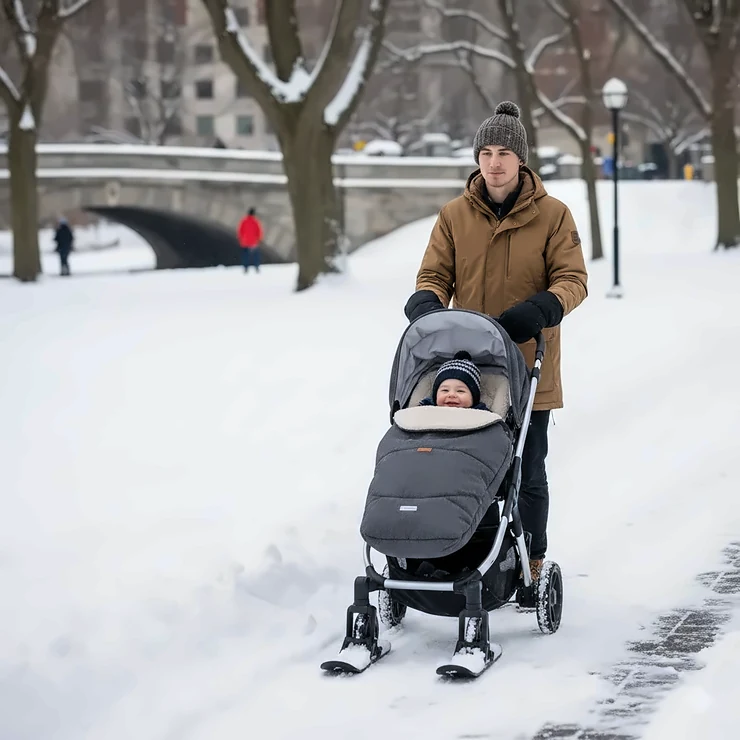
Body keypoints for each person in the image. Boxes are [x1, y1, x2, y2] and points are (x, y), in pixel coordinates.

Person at [403, 101, 588, 584]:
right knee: (459, 465)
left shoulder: (553, 215)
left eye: (504, 151)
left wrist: (543, 308)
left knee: (526, 470)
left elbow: (573, 278)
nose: (494, 162)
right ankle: (452, 552)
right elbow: (434, 273)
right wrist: (426, 302)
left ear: (520, 159)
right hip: (470, 368)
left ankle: (532, 558)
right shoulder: (453, 216)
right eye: (485, 152)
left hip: (528, 365)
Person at [418, 351, 489, 410]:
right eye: (445, 390)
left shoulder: (481, 415)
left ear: (474, 398)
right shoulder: (426, 410)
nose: (451, 395)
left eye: (460, 391)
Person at [237, 207, 264, 273]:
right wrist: (259, 239)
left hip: (245, 242)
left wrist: (240, 239)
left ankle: (246, 267)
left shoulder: (244, 221)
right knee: (255, 256)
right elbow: (259, 231)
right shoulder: (255, 221)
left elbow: (240, 231)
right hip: (254, 242)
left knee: (246, 256)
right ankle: (256, 266)